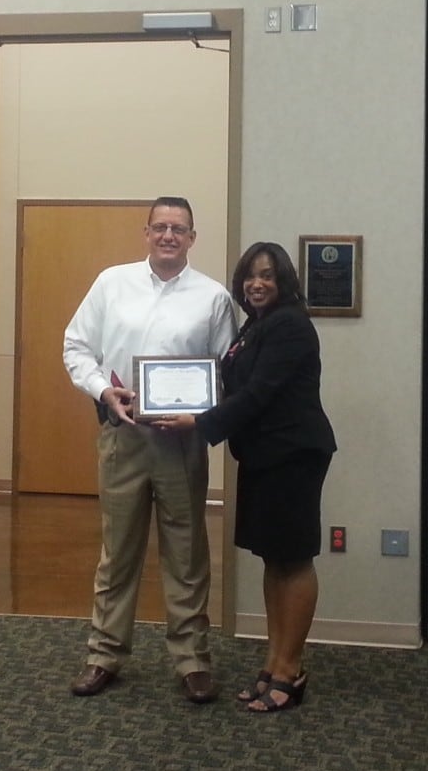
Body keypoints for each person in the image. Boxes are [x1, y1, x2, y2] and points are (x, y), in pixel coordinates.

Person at [63, 195, 237, 703]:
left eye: (178, 229)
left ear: (192, 238)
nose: (168, 236)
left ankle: (192, 660)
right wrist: (103, 390)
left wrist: (200, 414)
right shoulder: (111, 284)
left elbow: (227, 370)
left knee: (186, 553)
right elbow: (76, 346)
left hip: (182, 442)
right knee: (118, 552)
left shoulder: (213, 297)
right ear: (146, 233)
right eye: (160, 227)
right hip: (124, 436)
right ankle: (103, 655)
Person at [153, 241, 336, 712]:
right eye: (251, 276)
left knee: (293, 559)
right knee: (274, 560)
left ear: (284, 281)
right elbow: (231, 383)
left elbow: (258, 394)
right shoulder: (255, 325)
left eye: (267, 275)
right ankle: (274, 663)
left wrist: (199, 422)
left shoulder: (290, 325)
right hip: (263, 456)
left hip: (292, 455)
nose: (257, 283)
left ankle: (290, 670)